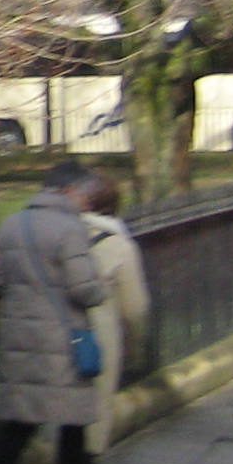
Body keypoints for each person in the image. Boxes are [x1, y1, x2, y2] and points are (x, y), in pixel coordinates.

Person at [0, 161, 114, 464]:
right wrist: (100, 286)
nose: (88, 203)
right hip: (61, 341)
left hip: (19, 340)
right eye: (86, 195)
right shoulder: (70, 229)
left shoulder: (11, 223)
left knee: (16, 430)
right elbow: (85, 289)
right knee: (72, 430)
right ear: (69, 191)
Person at [78, 172, 152, 433]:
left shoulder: (57, 236)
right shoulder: (120, 245)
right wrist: (136, 347)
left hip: (54, 336)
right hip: (98, 342)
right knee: (93, 423)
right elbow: (135, 308)